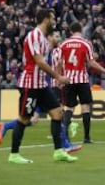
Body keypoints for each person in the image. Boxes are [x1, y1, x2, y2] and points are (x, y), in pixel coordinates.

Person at [9, 9, 77, 164]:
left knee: (57, 113)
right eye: (52, 18)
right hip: (30, 84)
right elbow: (39, 61)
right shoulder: (34, 35)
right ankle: (14, 154)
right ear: (46, 19)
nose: (54, 20)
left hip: (41, 84)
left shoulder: (44, 39)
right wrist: (58, 76)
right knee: (24, 118)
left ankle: (58, 152)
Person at [0, 31, 81, 153]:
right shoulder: (50, 50)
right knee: (56, 113)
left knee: (36, 118)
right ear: (49, 37)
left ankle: (7, 126)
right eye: (56, 36)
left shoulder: (48, 50)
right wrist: (59, 78)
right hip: (44, 87)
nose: (59, 39)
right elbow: (54, 66)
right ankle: (65, 144)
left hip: (44, 86)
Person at [60, 22, 105, 144]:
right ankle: (86, 137)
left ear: (71, 31)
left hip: (68, 79)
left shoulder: (64, 44)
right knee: (85, 107)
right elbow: (92, 63)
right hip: (82, 80)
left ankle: (64, 136)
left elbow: (59, 62)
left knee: (69, 107)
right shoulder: (86, 43)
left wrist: (59, 78)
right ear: (80, 30)